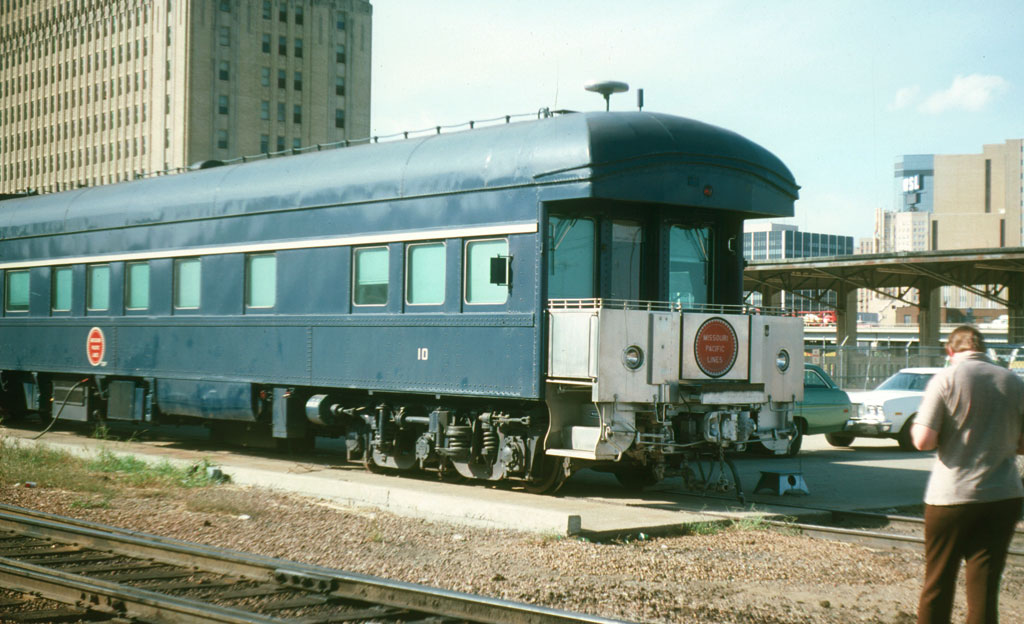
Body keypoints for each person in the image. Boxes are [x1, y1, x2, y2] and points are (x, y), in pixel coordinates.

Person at [912, 325, 1024, 624]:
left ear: (951, 352)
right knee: (985, 588)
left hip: (952, 497)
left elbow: (923, 441)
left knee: (938, 581)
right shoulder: (1014, 382)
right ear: (983, 350)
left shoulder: (945, 379)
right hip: (1003, 495)